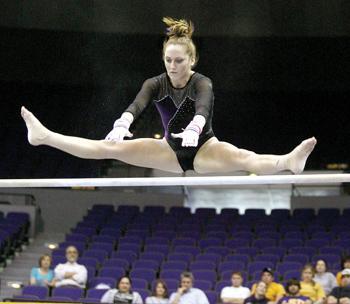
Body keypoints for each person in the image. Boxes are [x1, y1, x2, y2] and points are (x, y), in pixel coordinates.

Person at [20, 17, 317, 175]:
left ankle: (288, 162)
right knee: (105, 148)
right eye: (168, 61)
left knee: (244, 158)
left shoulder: (202, 82)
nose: (173, 66)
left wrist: (195, 127)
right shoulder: (155, 83)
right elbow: (137, 104)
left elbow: (203, 107)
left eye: (179, 61)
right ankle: (44, 136)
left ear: (192, 60)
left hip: (204, 149)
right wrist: (123, 122)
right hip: (168, 151)